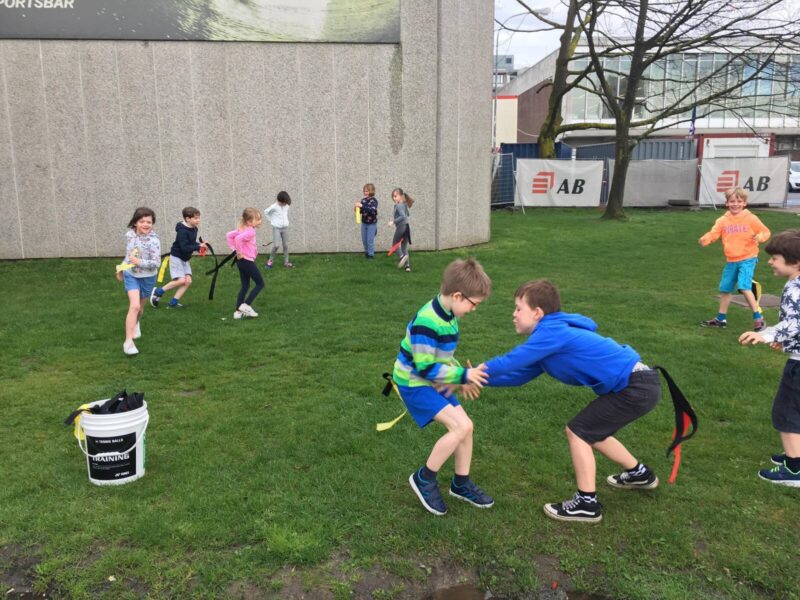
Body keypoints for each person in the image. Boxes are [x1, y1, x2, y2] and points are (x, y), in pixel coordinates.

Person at [481, 280, 662, 524]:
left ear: (537, 313)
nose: (513, 315)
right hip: (638, 384)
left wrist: (477, 371)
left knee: (578, 431)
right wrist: (479, 381)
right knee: (593, 431)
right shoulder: (549, 339)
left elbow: (513, 360)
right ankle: (639, 474)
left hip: (635, 386)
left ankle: (587, 504)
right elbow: (519, 375)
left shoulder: (551, 332)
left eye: (518, 308)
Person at [393, 258, 492, 516]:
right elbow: (425, 367)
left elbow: (443, 358)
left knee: (466, 427)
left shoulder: (448, 314)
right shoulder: (428, 321)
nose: (474, 309)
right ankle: (424, 478)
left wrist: (461, 377)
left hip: (432, 380)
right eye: (473, 304)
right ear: (458, 296)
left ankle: (460, 483)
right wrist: (463, 375)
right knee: (460, 426)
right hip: (414, 383)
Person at [739, 229, 800, 487]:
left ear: (795, 262)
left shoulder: (795, 288)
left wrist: (765, 335)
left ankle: (794, 468)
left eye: (775, 258)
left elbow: (795, 323)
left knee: (787, 413)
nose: (770, 262)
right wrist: (782, 339)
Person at [699, 187, 771, 331]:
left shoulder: (750, 218)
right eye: (732, 201)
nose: (735, 204)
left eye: (739, 201)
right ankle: (721, 319)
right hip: (731, 260)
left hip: (748, 258)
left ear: (744, 203)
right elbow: (714, 233)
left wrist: (760, 237)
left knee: (744, 286)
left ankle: (759, 318)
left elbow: (765, 231)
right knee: (725, 288)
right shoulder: (722, 220)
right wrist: (706, 239)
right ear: (727, 203)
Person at [118, 207, 161, 356]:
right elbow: (129, 255)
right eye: (142, 221)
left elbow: (156, 263)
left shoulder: (154, 241)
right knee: (134, 306)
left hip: (148, 277)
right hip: (131, 275)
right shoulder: (130, 236)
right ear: (135, 222)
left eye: (149, 222)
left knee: (140, 308)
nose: (145, 224)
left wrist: (139, 261)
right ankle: (128, 342)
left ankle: (136, 323)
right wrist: (121, 269)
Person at [150, 206, 206, 308]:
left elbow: (191, 243)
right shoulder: (182, 231)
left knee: (188, 281)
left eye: (199, 218)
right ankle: (158, 291)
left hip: (184, 258)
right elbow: (184, 247)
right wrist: (197, 246)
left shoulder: (194, 228)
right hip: (176, 257)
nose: (198, 220)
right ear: (187, 219)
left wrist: (199, 248)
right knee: (181, 280)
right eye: (196, 218)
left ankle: (173, 303)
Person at [226, 208, 264, 320]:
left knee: (245, 286)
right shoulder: (251, 231)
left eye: (260, 219)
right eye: (257, 219)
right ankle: (246, 305)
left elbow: (228, 235)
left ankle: (237, 312)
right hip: (246, 261)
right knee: (260, 284)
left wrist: (234, 250)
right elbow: (237, 239)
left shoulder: (243, 228)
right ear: (249, 221)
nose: (260, 221)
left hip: (241, 262)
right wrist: (238, 252)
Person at [264, 191, 293, 269]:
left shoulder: (287, 206)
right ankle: (270, 261)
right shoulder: (274, 206)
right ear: (279, 200)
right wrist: (271, 221)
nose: (284, 204)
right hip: (276, 228)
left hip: (285, 228)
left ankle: (286, 262)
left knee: (286, 246)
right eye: (283, 202)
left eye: (285, 202)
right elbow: (266, 212)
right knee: (276, 245)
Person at [389, 187, 414, 272]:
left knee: (394, 245)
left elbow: (403, 216)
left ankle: (402, 257)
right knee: (404, 247)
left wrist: (393, 222)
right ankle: (407, 267)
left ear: (401, 196)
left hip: (401, 227)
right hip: (407, 227)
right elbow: (407, 215)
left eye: (395, 196)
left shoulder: (399, 206)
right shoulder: (404, 205)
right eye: (393, 196)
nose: (394, 198)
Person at [355, 183, 378, 259]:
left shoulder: (374, 201)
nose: (365, 193)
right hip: (364, 223)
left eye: (367, 191)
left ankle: (371, 255)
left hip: (372, 224)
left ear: (371, 191)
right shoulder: (363, 200)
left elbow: (372, 210)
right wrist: (356, 209)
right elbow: (361, 211)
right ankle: (366, 252)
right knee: (364, 240)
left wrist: (362, 206)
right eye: (364, 191)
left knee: (369, 240)